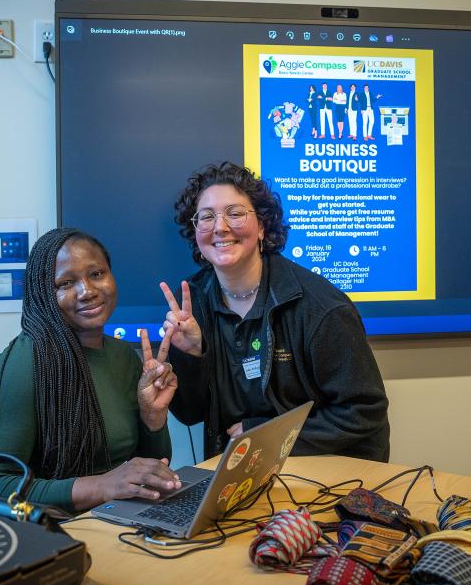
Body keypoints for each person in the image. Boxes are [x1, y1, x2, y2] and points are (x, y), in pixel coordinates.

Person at [159, 162, 390, 462]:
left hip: (319, 477)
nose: (220, 227)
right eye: (206, 217)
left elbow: (364, 412)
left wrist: (262, 435)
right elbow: (190, 414)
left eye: (235, 213)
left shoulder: (320, 306)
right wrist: (190, 356)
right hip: (235, 478)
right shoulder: (192, 302)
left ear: (262, 226)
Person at [0, 228, 181, 512]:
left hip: (104, 520)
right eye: (66, 283)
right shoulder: (25, 360)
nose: (88, 291)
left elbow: (150, 470)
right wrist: (102, 485)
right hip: (40, 530)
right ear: (44, 293)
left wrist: (153, 418)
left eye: (97, 274)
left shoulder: (123, 356)